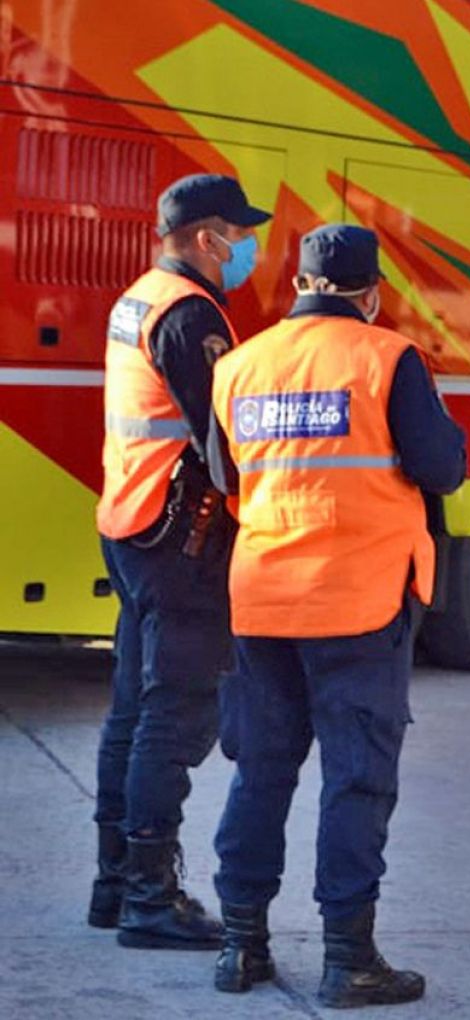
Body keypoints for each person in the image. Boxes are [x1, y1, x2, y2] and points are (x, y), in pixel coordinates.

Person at [207, 225, 466, 1006]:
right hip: (357, 601)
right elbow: (443, 468)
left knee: (261, 771)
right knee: (356, 779)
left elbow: (225, 474)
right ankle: (349, 957)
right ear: (370, 293)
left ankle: (240, 946)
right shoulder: (387, 358)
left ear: (301, 286)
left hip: (261, 601)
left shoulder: (239, 365)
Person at [92, 173, 268, 949]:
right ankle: (150, 899)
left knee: (133, 708)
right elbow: (223, 446)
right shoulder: (192, 314)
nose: (247, 249)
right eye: (240, 234)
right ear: (207, 238)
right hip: (180, 537)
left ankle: (113, 883)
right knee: (175, 711)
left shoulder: (139, 296)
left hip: (131, 523)